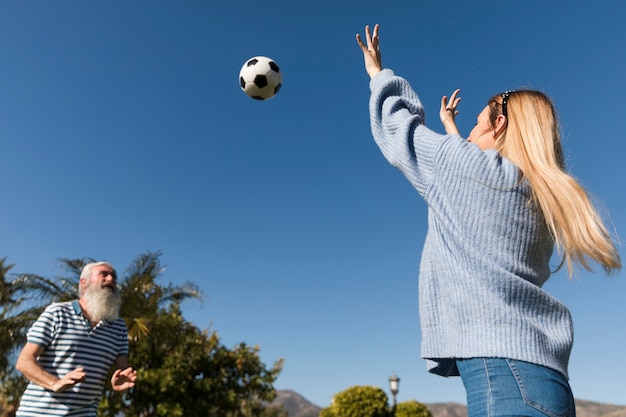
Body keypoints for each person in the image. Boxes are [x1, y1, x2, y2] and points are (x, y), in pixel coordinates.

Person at [356, 24, 621, 417]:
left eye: (478, 122)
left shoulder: (464, 169)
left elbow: (400, 131)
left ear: (499, 126)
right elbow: (473, 182)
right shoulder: (541, 197)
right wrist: (452, 131)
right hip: (548, 384)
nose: (470, 131)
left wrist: (379, 74)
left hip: (506, 380)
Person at [15, 261, 137, 417]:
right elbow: (24, 361)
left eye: (114, 276)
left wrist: (120, 384)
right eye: (104, 274)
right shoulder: (58, 313)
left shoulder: (118, 327)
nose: (111, 279)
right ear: (83, 282)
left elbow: (122, 371)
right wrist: (55, 383)